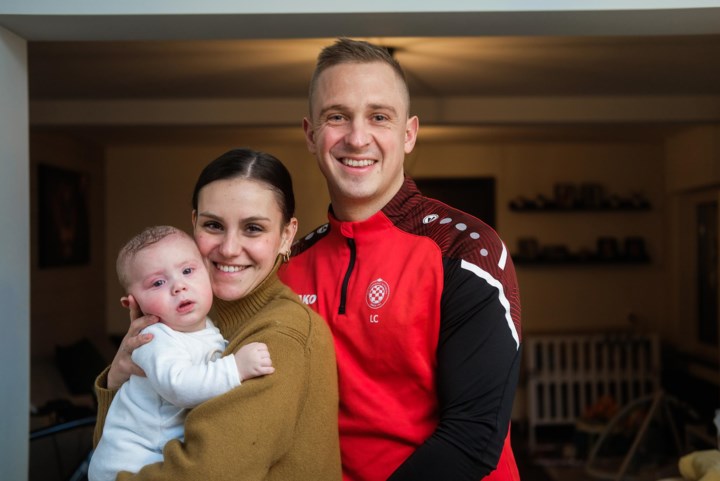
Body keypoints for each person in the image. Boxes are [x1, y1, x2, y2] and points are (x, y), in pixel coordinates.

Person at [277, 38, 522, 481]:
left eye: (378, 117)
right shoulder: (288, 264)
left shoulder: (465, 249)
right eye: (337, 116)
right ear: (311, 136)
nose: (356, 137)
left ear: (408, 134)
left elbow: (474, 438)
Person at [93, 148, 342, 481]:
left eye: (253, 228)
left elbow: (204, 473)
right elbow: (115, 448)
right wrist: (117, 381)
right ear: (194, 223)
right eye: (213, 225)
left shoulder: (281, 334)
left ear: (286, 236)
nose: (228, 248)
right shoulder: (184, 320)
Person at [89, 225, 275, 481]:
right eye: (157, 282)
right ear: (133, 303)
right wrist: (235, 367)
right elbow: (180, 386)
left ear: (207, 272)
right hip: (126, 469)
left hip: (158, 461)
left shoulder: (206, 327)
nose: (178, 287)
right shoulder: (154, 340)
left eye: (187, 271)